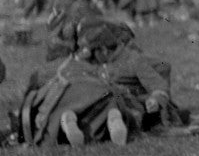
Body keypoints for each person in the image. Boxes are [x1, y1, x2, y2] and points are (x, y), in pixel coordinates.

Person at [13, 16, 182, 146]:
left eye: (94, 53)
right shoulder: (97, 61)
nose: (91, 57)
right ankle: (71, 119)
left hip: (127, 103)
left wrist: (155, 100)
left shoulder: (134, 60)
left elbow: (159, 86)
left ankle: (113, 121)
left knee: (112, 103)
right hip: (95, 103)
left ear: (104, 50)